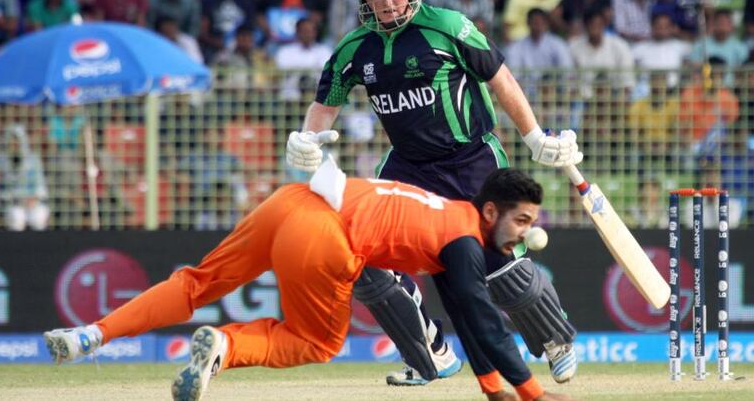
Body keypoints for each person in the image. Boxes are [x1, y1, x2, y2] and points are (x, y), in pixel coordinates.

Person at [284, 0, 582, 395]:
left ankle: (553, 338)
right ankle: (432, 354)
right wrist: (306, 140)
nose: (387, 1)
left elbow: (500, 77)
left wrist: (534, 135)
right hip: (409, 167)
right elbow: (326, 105)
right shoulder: (354, 47)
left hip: (472, 160)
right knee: (363, 255)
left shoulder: (448, 26)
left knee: (499, 268)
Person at [43, 166, 577, 401]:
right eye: (523, 221)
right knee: (318, 342)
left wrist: (493, 390)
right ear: (490, 211)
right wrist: (531, 393)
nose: (527, 235)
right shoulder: (463, 245)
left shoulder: (454, 218)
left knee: (195, 283)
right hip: (324, 233)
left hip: (290, 201)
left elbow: (465, 316)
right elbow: (482, 319)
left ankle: (90, 335)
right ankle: (227, 346)